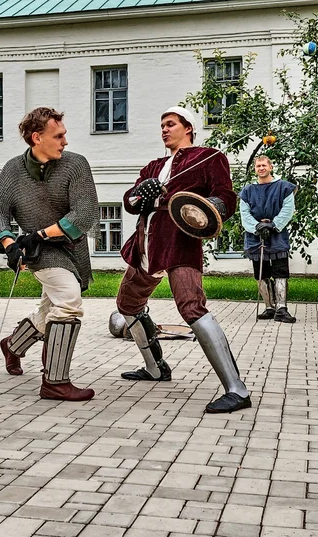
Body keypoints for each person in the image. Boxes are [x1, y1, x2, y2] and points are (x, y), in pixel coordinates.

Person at [116, 106, 251, 414]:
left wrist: (204, 208)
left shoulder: (209, 157)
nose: (164, 130)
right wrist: (140, 193)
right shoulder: (154, 165)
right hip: (146, 242)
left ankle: (236, 389)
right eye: (161, 125)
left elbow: (226, 197)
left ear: (188, 127)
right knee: (127, 303)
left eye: (170, 124)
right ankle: (154, 368)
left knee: (191, 306)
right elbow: (129, 202)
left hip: (179, 240)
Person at [0, 107, 99, 401]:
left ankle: (13, 346)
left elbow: (86, 213)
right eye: (59, 135)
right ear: (37, 137)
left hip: (70, 247)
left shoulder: (76, 164)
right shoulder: (13, 170)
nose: (65, 141)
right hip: (41, 254)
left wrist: (40, 233)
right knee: (67, 301)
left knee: (48, 309)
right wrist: (9, 245)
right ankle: (55, 382)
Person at [240, 155, 297, 323]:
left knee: (280, 271)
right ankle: (269, 307)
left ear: (270, 167)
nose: (261, 168)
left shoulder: (284, 188)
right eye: (258, 166)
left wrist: (273, 225)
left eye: (264, 165)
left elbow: (288, 210)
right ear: (255, 169)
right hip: (255, 236)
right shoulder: (247, 191)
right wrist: (257, 227)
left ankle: (281, 309)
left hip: (277, 235)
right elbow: (245, 213)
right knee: (261, 273)